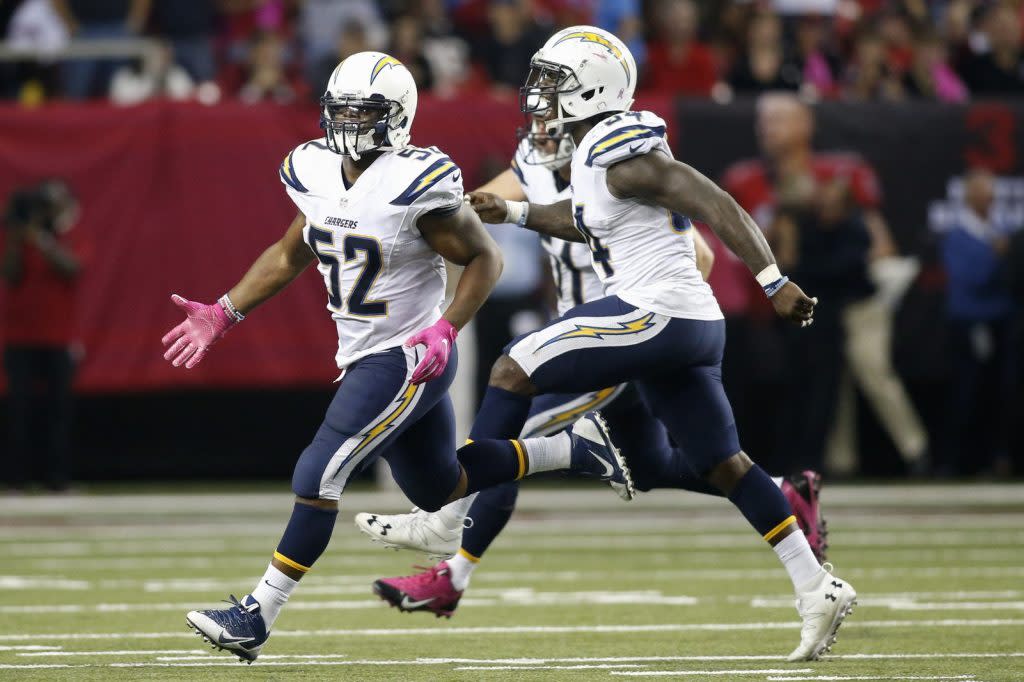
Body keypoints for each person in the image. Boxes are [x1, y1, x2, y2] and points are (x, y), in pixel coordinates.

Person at [166, 51, 632, 663]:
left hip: (406, 356)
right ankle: (571, 448)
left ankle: (258, 612)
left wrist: (445, 329)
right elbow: (289, 253)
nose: (351, 122)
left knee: (318, 473)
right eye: (343, 110)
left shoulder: (415, 180)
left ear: (398, 116)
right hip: (363, 353)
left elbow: (485, 258)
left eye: (366, 111)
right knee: (439, 486)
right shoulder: (312, 168)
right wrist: (223, 312)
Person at [462, 26, 854, 661]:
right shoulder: (593, 152)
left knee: (515, 366)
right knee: (722, 464)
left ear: (593, 88)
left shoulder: (625, 150)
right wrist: (510, 212)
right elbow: (583, 219)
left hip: (656, 313)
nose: (542, 94)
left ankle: (449, 517)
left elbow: (715, 201)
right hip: (683, 325)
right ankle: (816, 587)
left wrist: (773, 279)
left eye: (555, 82)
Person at [355, 116, 830, 618]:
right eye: (536, 124)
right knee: (650, 465)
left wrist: (648, 321)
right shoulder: (537, 169)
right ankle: (784, 492)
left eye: (550, 123)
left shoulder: (621, 166)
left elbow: (701, 255)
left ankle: (452, 574)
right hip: (585, 342)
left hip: (617, 341)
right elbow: (462, 210)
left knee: (510, 441)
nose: (539, 133)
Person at [723, 93, 928, 475]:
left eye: (778, 119)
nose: (767, 128)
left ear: (806, 124)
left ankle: (916, 452)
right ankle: (836, 463)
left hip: (846, 299)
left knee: (865, 371)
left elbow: (879, 244)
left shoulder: (839, 174)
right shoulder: (745, 180)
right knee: (816, 384)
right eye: (763, 121)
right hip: (790, 309)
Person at [1, 180, 83, 492]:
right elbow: (10, 274)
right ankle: (16, 480)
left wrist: (41, 239)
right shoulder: (16, 238)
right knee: (19, 410)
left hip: (58, 338)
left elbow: (72, 268)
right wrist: (16, 238)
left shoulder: (68, 235)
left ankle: (58, 480)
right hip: (19, 338)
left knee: (57, 411)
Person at [941, 169, 1017, 476]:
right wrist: (998, 258)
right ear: (970, 196)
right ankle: (959, 460)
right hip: (969, 323)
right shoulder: (958, 236)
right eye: (983, 191)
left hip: (1002, 322)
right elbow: (969, 279)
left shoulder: (1002, 231)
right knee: (966, 391)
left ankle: (994, 457)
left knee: (1000, 392)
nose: (990, 198)